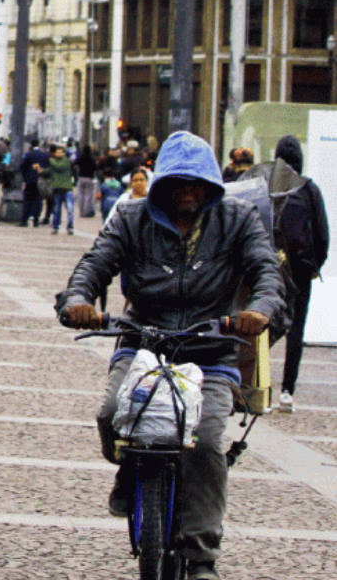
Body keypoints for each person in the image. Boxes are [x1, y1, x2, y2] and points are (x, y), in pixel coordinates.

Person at [58, 131, 285, 580]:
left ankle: (201, 557)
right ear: (162, 183)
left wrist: (258, 310)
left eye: (198, 183)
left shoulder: (237, 219)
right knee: (111, 412)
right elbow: (95, 264)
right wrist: (78, 299)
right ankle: (128, 471)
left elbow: (266, 271)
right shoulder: (130, 217)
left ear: (211, 186)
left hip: (211, 349)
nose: (188, 191)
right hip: (144, 341)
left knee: (202, 440)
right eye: (179, 182)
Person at [245, 136, 330, 414]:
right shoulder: (308, 189)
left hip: (264, 265)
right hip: (299, 270)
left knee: (263, 323)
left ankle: (263, 389)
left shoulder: (262, 183)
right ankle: (287, 392)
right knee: (296, 329)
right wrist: (314, 264)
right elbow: (322, 233)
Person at [18, 139, 51, 227]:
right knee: (38, 200)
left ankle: (24, 220)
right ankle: (36, 220)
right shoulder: (44, 155)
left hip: (30, 180)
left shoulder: (28, 154)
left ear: (31, 145)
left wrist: (25, 177)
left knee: (28, 200)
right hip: (40, 180)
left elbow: (22, 166)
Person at [47, 145, 76, 235]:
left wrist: (51, 161)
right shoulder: (54, 163)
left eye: (61, 152)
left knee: (70, 208)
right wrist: (40, 170)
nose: (59, 154)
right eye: (57, 152)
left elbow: (59, 167)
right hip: (57, 189)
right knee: (56, 209)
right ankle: (55, 227)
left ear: (64, 153)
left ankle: (70, 226)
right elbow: (49, 171)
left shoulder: (66, 161)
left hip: (67, 189)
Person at [76, 144, 99, 218]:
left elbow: (75, 164)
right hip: (89, 178)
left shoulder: (80, 157)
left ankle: (81, 211)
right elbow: (95, 167)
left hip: (81, 177)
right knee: (88, 196)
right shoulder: (91, 158)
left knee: (81, 195)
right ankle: (86, 212)